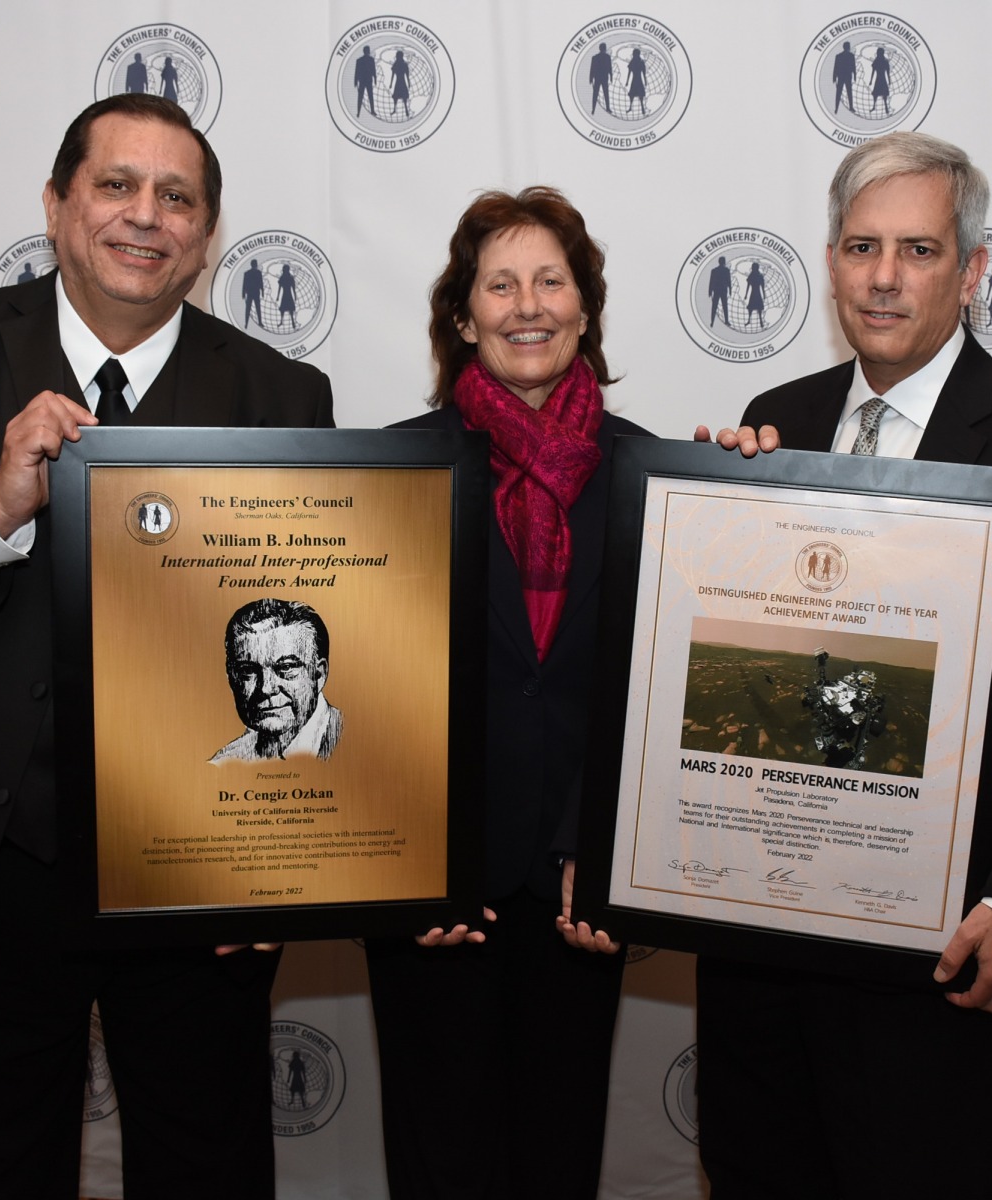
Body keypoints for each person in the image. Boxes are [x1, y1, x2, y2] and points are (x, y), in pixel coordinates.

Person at [0, 93, 333, 1199]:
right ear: (56, 204)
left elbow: (313, 637)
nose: (146, 216)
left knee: (204, 1167)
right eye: (117, 186)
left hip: (197, 884)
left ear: (207, 234)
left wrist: (278, 870)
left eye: (177, 197)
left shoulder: (282, 392)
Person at [695, 132, 992, 1197]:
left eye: (918, 249)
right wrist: (709, 519)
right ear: (830, 261)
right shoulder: (779, 420)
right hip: (763, 927)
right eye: (860, 246)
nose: (884, 276)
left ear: (972, 270)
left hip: (942, 939)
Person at [366, 186, 647, 1200]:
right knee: (439, 1155)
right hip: (438, 886)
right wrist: (408, 867)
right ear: (462, 316)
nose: (527, 304)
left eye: (551, 280)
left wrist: (611, 855)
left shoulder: (659, 480)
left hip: (581, 887)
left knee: (557, 1154)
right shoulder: (390, 472)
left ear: (585, 309)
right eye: (500, 284)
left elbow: (658, 693)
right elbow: (363, 684)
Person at [208, 598, 343, 762]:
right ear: (231, 677)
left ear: (319, 675)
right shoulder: (224, 763)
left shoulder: (358, 746)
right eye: (248, 670)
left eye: (286, 667)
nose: (266, 688)